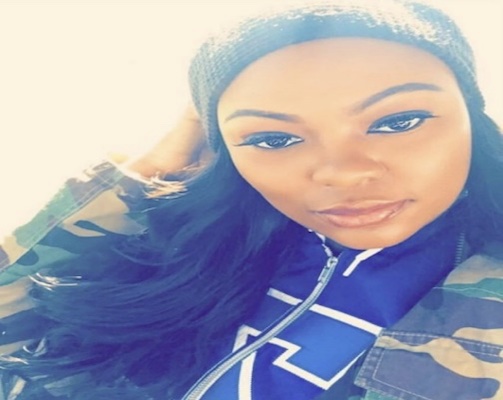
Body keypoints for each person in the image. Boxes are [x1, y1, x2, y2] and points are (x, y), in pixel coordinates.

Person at [0, 0, 502, 399]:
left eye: (398, 121)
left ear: (471, 119)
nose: (342, 173)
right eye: (273, 138)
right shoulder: (180, 252)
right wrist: (151, 172)